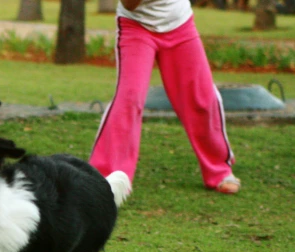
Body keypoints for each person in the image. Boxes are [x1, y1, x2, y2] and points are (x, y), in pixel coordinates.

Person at [89, 0, 241, 194]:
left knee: (201, 97)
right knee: (129, 98)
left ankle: (219, 170)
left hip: (180, 24)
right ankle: (107, 178)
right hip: (136, 27)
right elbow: (129, 4)